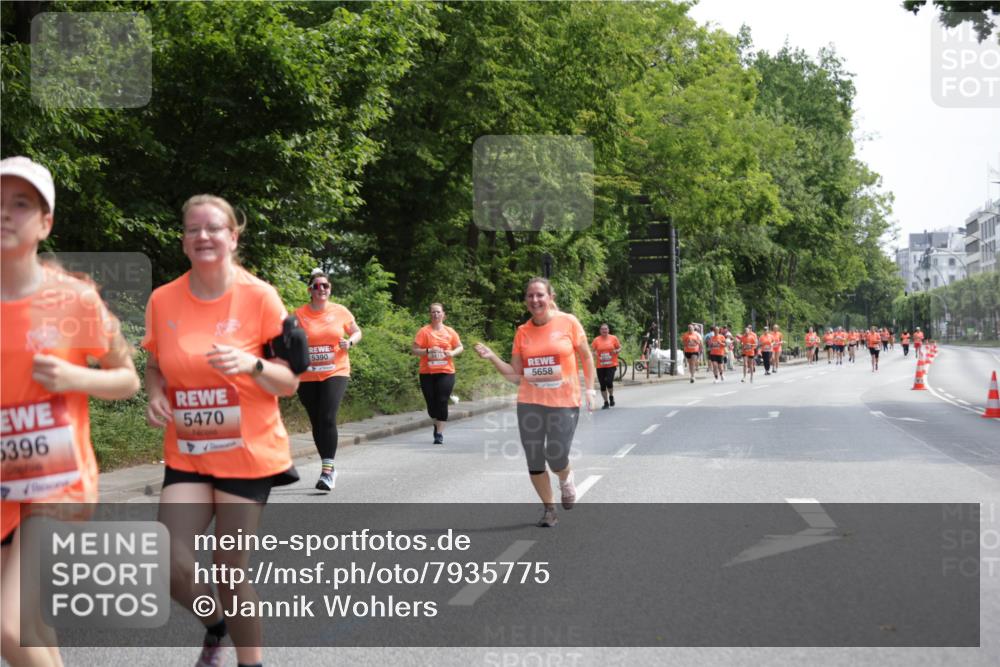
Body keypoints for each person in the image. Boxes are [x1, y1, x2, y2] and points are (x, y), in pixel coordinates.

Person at [143, 194, 301, 667]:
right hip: (189, 452)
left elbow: (289, 381)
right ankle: (215, 628)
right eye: (193, 229)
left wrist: (252, 364)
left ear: (233, 237)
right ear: (184, 240)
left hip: (247, 454)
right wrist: (155, 393)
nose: (203, 236)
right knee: (167, 560)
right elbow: (155, 364)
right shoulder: (163, 298)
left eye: (214, 228)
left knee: (230, 574)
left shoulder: (260, 296)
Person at [2, 157, 140, 666]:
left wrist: (76, 378)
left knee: (9, 626)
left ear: (45, 222)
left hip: (58, 479)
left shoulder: (75, 298)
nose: (6, 213)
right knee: (32, 626)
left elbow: (126, 378)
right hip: (2, 481)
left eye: (21, 204)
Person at [475, 277, 597, 528]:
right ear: (526, 301)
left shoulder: (569, 322)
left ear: (550, 297)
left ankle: (565, 477)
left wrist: (591, 389)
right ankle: (549, 509)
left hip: (564, 400)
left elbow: (586, 357)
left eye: (540, 295)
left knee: (556, 454)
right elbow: (514, 375)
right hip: (530, 402)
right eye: (530, 296)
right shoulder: (522, 332)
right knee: (534, 458)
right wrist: (492, 358)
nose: (535, 300)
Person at [296, 270, 362, 485]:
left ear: (330, 289)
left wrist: (350, 342)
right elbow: (286, 338)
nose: (322, 289)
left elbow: (357, 331)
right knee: (316, 421)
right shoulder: (298, 314)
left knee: (327, 416)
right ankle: (329, 467)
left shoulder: (340, 311)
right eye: (317, 286)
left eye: (325, 286)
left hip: (336, 370)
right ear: (310, 290)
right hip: (307, 374)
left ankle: (326, 470)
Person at [412, 302, 462, 442]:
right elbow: (414, 350)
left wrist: (452, 353)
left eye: (438, 312)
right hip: (427, 372)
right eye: (433, 312)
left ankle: (439, 434)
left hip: (446, 371)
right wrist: (428, 351)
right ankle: (437, 423)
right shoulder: (424, 331)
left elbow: (460, 347)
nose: (436, 314)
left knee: (442, 400)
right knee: (431, 405)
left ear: (443, 315)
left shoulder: (450, 331)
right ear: (430, 315)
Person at [591, 323, 621, 408]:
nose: (604, 330)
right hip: (600, 365)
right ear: (600, 331)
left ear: (608, 330)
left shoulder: (613, 338)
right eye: (602, 329)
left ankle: (611, 396)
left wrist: (616, 351)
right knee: (602, 384)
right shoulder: (596, 340)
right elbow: (592, 351)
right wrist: (594, 353)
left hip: (611, 364)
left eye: (606, 329)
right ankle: (606, 402)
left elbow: (619, 348)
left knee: (609, 381)